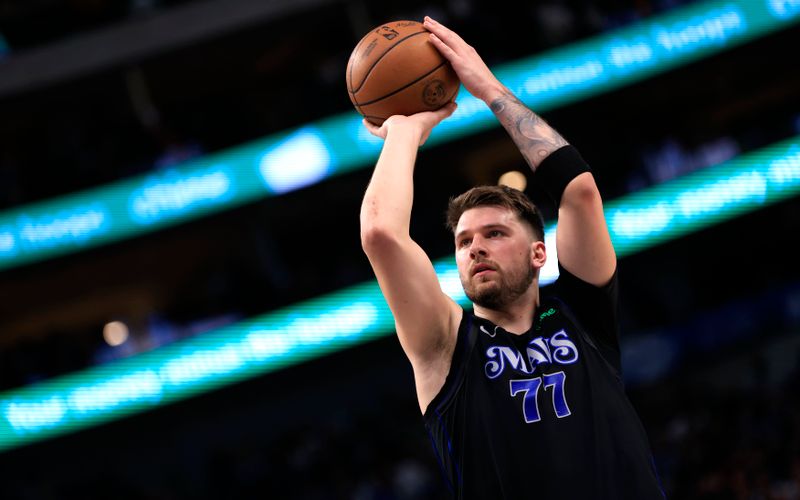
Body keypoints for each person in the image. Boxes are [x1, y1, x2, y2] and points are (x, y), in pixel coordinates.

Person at [359, 16, 665, 499]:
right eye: (463, 242)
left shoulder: (583, 317)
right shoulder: (445, 344)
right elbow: (381, 234)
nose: (475, 246)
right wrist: (403, 131)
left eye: (495, 233)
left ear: (540, 252)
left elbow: (579, 192)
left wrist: (488, 89)